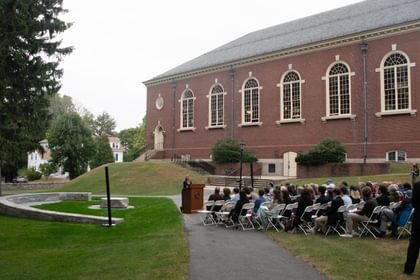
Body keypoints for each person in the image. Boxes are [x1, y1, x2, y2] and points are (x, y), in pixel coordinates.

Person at [404, 181, 420, 275]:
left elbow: (414, 202)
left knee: (414, 244)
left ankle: (409, 268)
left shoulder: (418, 185)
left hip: (418, 217)